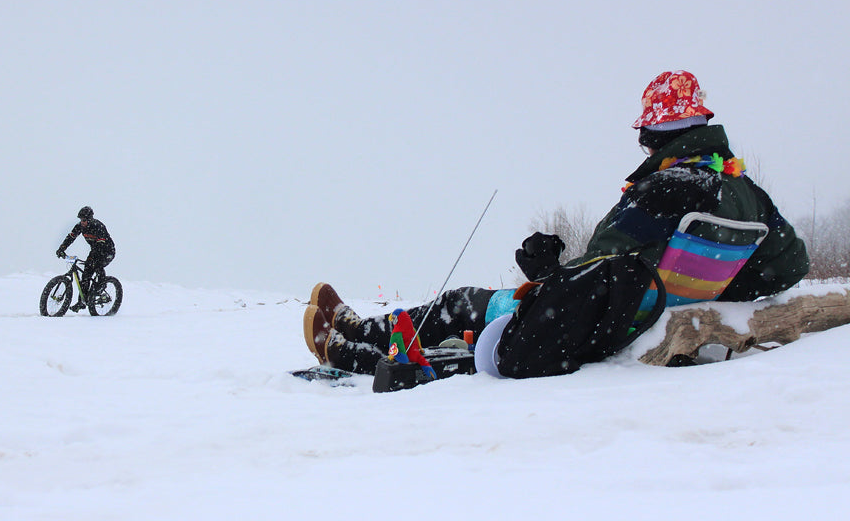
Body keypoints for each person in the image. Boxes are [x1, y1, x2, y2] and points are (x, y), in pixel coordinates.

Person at [303, 70, 810, 376]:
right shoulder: (747, 194)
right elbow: (791, 266)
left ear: (656, 136)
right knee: (483, 306)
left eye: (646, 138)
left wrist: (547, 270)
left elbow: (601, 266)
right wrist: (715, 288)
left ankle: (358, 340)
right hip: (641, 314)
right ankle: (359, 327)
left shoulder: (667, 188)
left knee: (470, 304)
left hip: (609, 324)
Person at [57, 206, 116, 309]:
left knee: (97, 265)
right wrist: (62, 248)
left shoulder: (98, 226)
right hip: (94, 250)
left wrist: (93, 260)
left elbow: (101, 245)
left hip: (107, 251)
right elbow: (71, 237)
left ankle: (101, 285)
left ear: (90, 219)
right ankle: (82, 302)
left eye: (84, 220)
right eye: (80, 220)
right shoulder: (79, 226)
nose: (82, 222)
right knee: (86, 275)